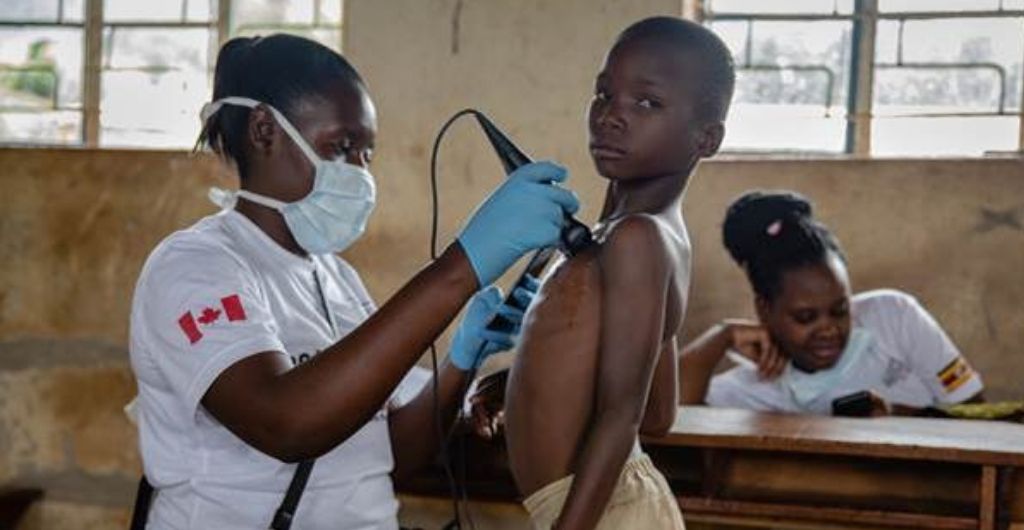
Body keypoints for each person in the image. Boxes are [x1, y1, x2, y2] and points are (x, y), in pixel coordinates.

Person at [128, 34, 579, 530]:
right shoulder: (196, 265)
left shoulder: (336, 278)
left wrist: (461, 361)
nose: (361, 173)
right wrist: (462, 266)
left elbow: (391, 456)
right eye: (342, 147)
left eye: (367, 153)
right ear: (264, 131)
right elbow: (285, 423)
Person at [502, 17, 735, 530]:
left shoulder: (637, 238)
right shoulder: (630, 234)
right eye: (604, 94)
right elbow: (659, 413)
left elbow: (623, 415)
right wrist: (511, 386)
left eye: (646, 103)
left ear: (706, 139)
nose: (610, 116)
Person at [678, 190, 985, 416]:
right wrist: (723, 335)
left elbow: (975, 410)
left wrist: (894, 414)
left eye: (840, 310)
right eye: (805, 317)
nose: (829, 329)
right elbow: (667, 414)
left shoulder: (894, 316)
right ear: (764, 309)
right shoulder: (756, 384)